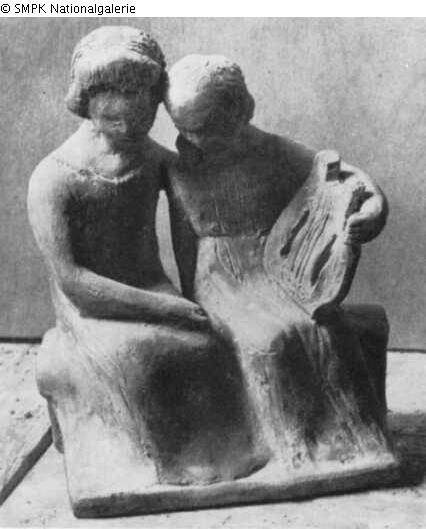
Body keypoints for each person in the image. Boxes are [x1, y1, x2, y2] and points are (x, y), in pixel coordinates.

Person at [28, 31, 259, 512]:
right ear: (86, 98)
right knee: (148, 360)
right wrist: (166, 308)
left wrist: (197, 294)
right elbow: (74, 282)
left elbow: (193, 223)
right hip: (94, 309)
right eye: (115, 105)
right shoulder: (54, 177)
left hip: (153, 289)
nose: (131, 117)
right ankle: (173, 465)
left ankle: (226, 458)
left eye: (143, 103)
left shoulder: (153, 159)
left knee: (211, 346)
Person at [165, 54, 395, 470]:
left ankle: (357, 446)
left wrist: (374, 208)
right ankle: (292, 449)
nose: (193, 140)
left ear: (239, 110)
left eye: (205, 128)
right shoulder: (180, 169)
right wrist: (190, 297)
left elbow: (344, 176)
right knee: (267, 342)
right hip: (220, 276)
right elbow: (185, 242)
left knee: (328, 328)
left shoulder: (274, 151)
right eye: (184, 129)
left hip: (279, 261)